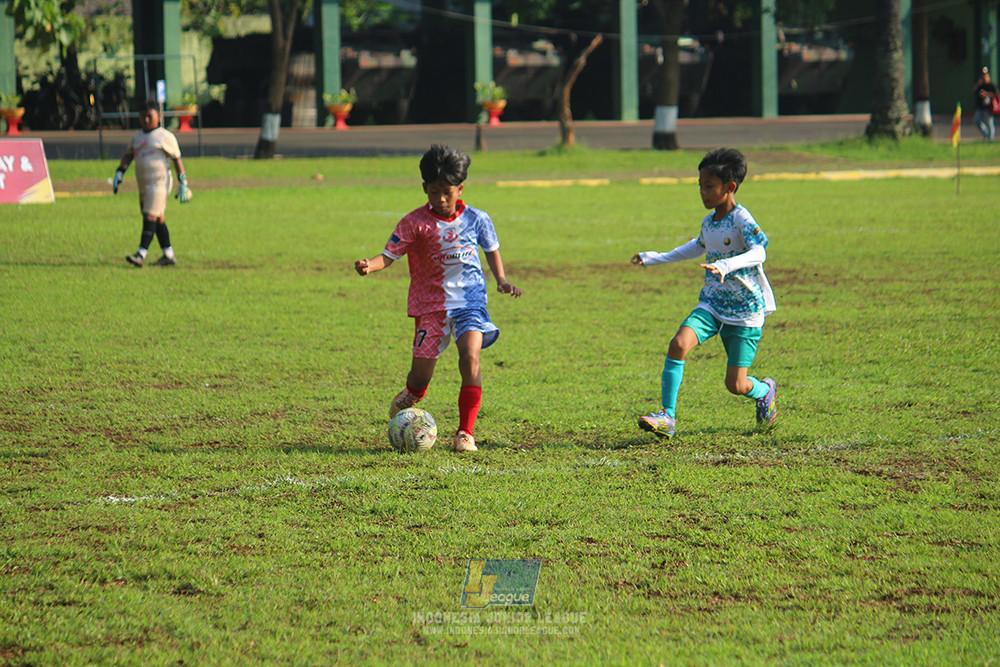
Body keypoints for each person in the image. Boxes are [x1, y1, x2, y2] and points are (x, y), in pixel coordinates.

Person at [354, 144, 522, 452]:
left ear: (460, 188)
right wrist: (370, 266)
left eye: (447, 192)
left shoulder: (478, 219)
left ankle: (465, 433)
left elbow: (492, 250)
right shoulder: (414, 222)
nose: (441, 199)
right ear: (424, 189)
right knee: (421, 375)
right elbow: (389, 255)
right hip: (430, 307)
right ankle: (412, 391)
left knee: (470, 357)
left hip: (470, 304)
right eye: (433, 192)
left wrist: (501, 280)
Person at [630, 148, 777, 439]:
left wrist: (727, 264)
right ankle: (668, 416)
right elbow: (697, 246)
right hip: (711, 304)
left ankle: (764, 391)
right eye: (700, 185)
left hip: (744, 311)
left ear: (730, 187)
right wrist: (655, 257)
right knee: (679, 343)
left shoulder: (742, 219)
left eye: (709, 186)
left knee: (736, 385)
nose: (702, 192)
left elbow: (759, 252)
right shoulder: (709, 222)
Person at [113, 100, 192, 267]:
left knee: (150, 216)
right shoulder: (137, 137)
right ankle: (168, 255)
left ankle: (141, 254)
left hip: (160, 183)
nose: (146, 120)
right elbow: (128, 155)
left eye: (150, 116)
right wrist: (120, 172)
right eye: (143, 117)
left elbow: (177, 159)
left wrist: (182, 182)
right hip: (144, 184)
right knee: (157, 219)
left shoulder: (165, 136)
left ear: (159, 117)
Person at [973, 67, 999, 141]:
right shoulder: (981, 85)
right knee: (976, 120)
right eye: (983, 76)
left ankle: (991, 138)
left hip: (989, 107)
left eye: (985, 76)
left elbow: (996, 94)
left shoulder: (991, 85)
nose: (984, 78)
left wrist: (987, 94)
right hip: (981, 107)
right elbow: (974, 91)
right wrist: (978, 83)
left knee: (990, 122)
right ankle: (986, 133)